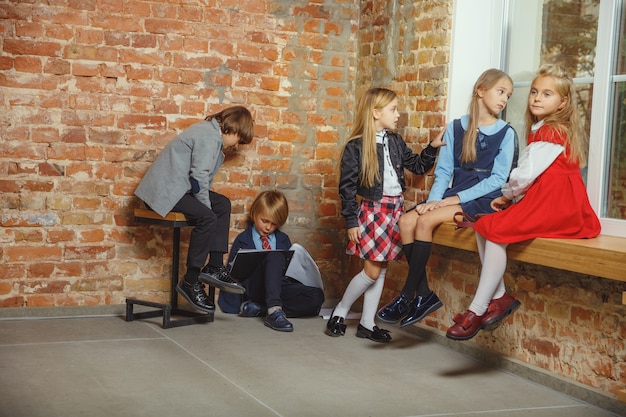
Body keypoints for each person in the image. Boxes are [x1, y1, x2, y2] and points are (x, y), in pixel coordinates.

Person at [446, 64, 601, 340]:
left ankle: (477, 308)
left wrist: (507, 194)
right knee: (487, 225)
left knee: (494, 231)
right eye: (534, 92)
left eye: (547, 94)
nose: (537, 98)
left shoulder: (552, 132)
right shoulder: (547, 129)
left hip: (556, 205)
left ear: (563, 102)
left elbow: (525, 174)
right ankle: (500, 297)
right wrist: (510, 197)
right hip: (550, 200)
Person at [377, 68, 517, 328]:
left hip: (483, 198)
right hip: (455, 195)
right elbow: (443, 172)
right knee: (406, 222)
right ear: (481, 91)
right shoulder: (455, 127)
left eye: (508, 96)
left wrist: (454, 200)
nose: (504, 99)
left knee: (423, 223)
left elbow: (498, 180)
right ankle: (425, 295)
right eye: (500, 91)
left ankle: (408, 295)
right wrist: (433, 201)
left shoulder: (506, 133)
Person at [326, 87, 445, 342]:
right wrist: (350, 221)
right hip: (372, 211)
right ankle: (340, 312)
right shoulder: (356, 146)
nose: (398, 114)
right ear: (375, 112)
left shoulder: (395, 141)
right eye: (393, 109)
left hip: (395, 211)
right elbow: (346, 188)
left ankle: (367, 324)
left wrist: (432, 147)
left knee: (380, 270)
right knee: (370, 271)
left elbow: (417, 166)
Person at [134, 106, 253, 313]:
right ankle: (190, 280)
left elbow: (199, 179)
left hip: (180, 188)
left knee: (222, 204)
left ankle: (215, 266)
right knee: (208, 216)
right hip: (164, 192)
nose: (237, 145)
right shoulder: (210, 136)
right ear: (233, 129)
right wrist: (205, 209)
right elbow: (198, 178)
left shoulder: (210, 133)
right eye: (239, 140)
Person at [219, 190, 325, 332]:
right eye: (264, 221)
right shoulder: (242, 240)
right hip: (255, 287)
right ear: (255, 214)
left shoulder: (283, 239)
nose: (268, 227)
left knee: (317, 296)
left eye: (274, 224)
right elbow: (232, 274)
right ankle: (274, 311)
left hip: (278, 288)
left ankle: (262, 309)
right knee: (274, 255)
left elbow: (289, 271)